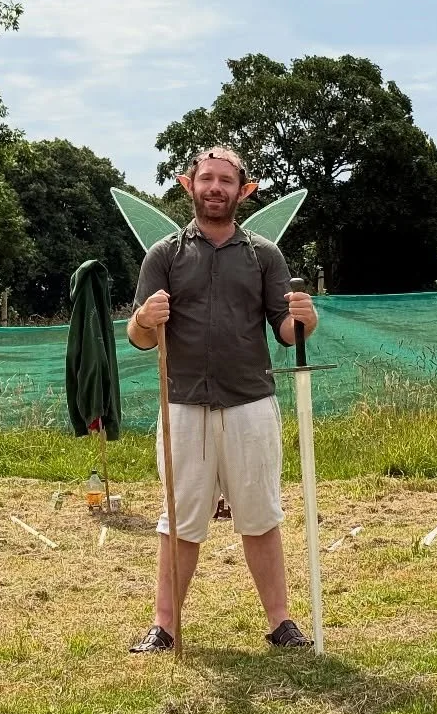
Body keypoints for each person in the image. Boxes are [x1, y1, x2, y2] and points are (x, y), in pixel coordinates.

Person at [125, 145, 319, 653]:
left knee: (260, 515)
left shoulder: (264, 255)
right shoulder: (164, 255)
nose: (215, 188)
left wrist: (303, 320)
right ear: (188, 185)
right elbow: (139, 335)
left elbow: (285, 330)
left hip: (250, 404)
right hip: (184, 406)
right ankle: (164, 626)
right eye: (206, 179)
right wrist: (146, 319)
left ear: (244, 191)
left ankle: (281, 623)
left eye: (226, 181)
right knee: (181, 520)